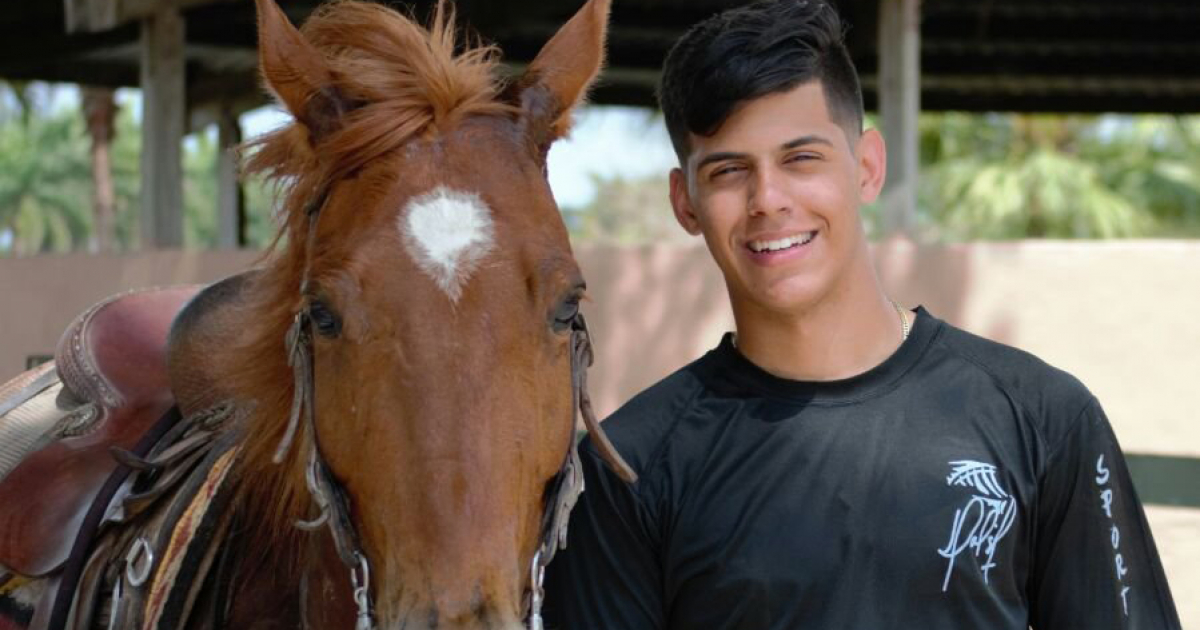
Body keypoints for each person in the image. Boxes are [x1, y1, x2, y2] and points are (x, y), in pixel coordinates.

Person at [542, 1, 1182, 628]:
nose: (769, 199)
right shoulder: (627, 468)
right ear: (685, 203)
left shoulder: (1043, 419)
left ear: (867, 167)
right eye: (730, 170)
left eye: (802, 159)